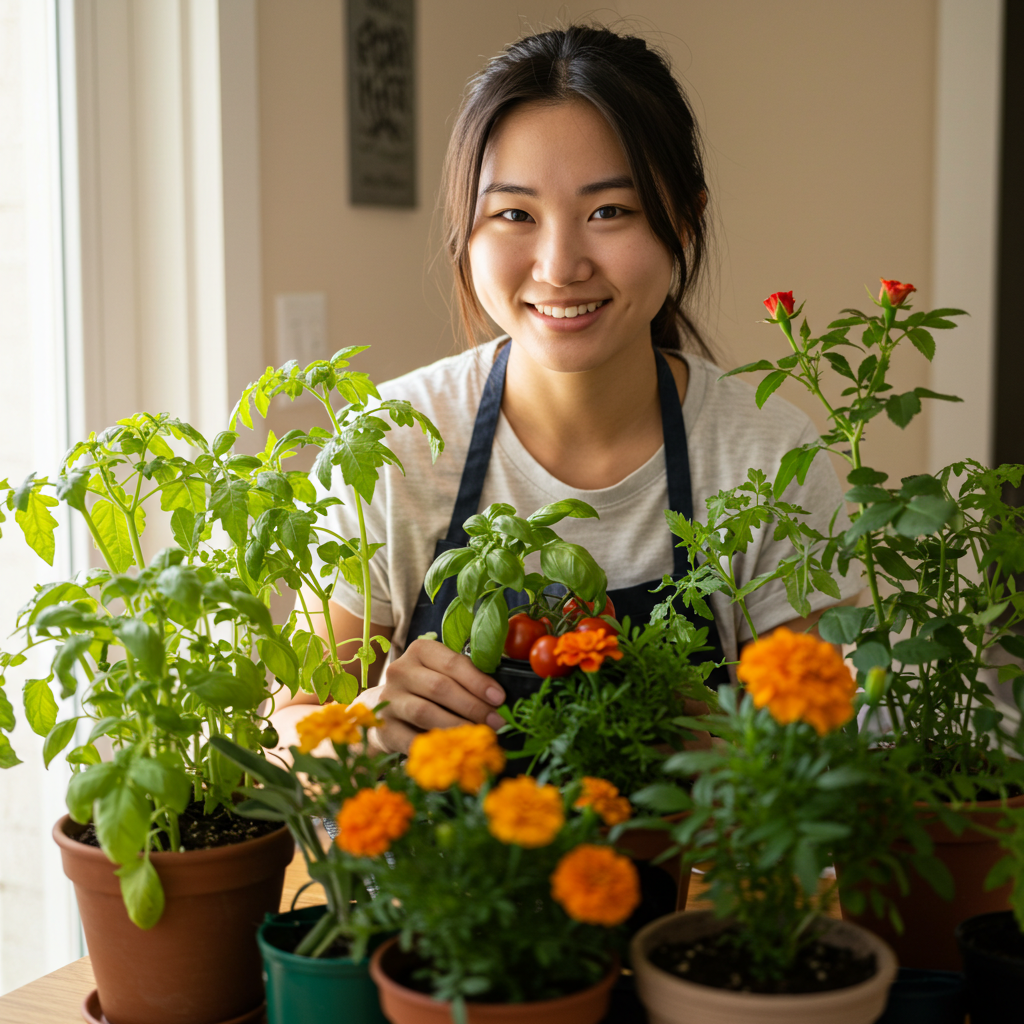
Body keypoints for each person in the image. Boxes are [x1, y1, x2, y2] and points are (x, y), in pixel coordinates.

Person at [271, 25, 859, 757]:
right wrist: (360, 726)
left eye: (608, 211)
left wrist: (715, 744)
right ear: (467, 227)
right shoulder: (390, 443)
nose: (558, 265)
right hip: (443, 874)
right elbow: (282, 731)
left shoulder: (773, 457)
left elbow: (826, 755)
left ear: (685, 217)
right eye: (515, 214)